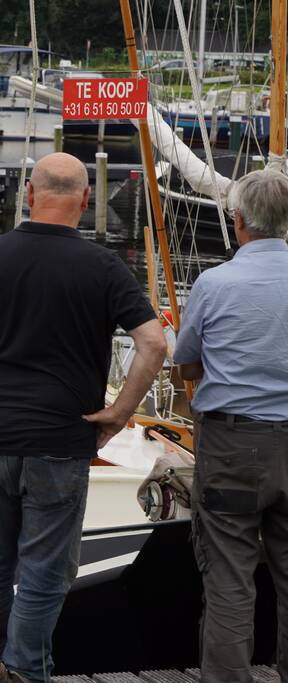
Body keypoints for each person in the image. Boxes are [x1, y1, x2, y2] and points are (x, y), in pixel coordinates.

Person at [0, 152, 166, 683]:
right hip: (61, 439)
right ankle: (24, 672)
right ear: (85, 199)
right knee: (43, 568)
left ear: (29, 195)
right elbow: (153, 343)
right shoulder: (103, 267)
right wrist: (119, 413)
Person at [172, 169, 288, 683]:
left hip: (232, 445)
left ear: (238, 221)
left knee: (228, 579)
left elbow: (186, 364)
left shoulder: (214, 284)